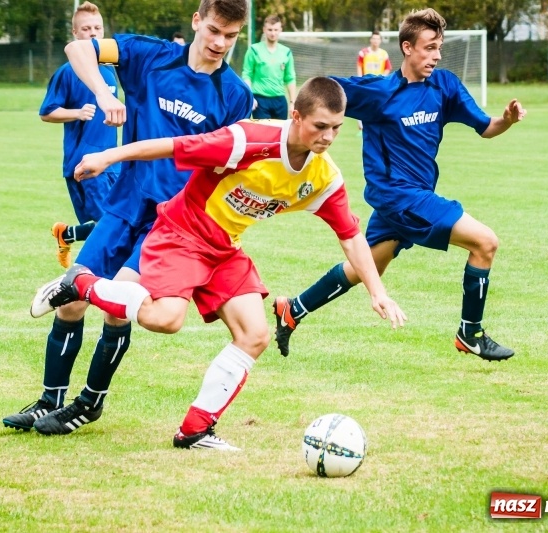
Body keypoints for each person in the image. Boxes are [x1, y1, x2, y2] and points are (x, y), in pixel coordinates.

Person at [30, 77, 407, 450]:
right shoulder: (248, 140)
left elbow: (351, 236)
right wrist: (107, 156)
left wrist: (378, 292)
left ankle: (194, 430)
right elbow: (173, 146)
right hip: (181, 233)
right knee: (166, 319)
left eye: (336, 128)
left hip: (224, 248)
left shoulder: (322, 177)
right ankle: (80, 285)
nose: (327, 137)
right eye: (319, 126)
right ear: (295, 116)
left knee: (255, 334)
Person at [2, 0, 253, 435]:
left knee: (117, 305)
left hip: (171, 223)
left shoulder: (234, 96)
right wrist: (103, 92)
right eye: (213, 30)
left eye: (230, 36)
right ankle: (49, 400)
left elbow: (226, 170)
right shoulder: (148, 55)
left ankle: (89, 402)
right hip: (122, 204)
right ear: (197, 21)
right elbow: (77, 50)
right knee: (72, 299)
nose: (219, 43)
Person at [271, 8, 526, 362]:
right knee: (486, 242)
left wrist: (507, 121)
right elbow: (322, 90)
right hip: (402, 198)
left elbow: (486, 126)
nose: (436, 56)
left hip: (407, 201)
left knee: (366, 269)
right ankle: (471, 333)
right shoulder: (379, 93)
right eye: (429, 47)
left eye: (439, 48)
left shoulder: (445, 86)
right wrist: (299, 127)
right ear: (407, 47)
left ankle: (293, 309)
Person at [40, 2, 120, 269]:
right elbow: (46, 113)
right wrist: (76, 113)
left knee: (117, 221)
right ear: (76, 34)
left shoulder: (109, 70)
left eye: (98, 28)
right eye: (87, 29)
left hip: (112, 160)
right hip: (84, 162)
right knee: (109, 224)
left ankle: (67, 234)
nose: (93, 33)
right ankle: (93, 281)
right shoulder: (67, 72)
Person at [241, 14, 297, 119]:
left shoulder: (286, 52)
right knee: (263, 134)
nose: (273, 33)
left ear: (280, 30)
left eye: (276, 30)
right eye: (270, 30)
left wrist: (292, 102)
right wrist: (250, 97)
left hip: (280, 100)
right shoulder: (254, 50)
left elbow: (290, 78)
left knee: (281, 134)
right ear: (264, 30)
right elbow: (247, 74)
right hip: (260, 99)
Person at [356, 31, 391, 131]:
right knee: (364, 103)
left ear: (380, 41)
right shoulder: (363, 53)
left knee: (378, 104)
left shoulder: (383, 54)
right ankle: (361, 126)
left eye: (377, 39)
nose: (375, 41)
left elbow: (387, 68)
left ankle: (377, 125)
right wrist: (360, 80)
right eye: (374, 38)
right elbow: (359, 66)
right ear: (370, 40)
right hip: (366, 83)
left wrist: (381, 79)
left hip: (378, 84)